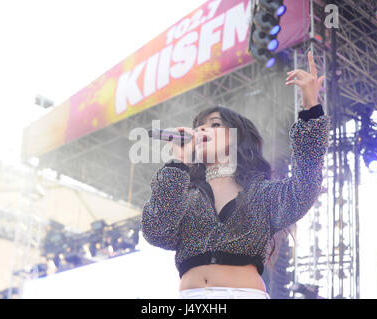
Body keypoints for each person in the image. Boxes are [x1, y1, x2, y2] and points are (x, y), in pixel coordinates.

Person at [141, 51, 330, 299]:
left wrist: (311, 109)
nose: (202, 129)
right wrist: (179, 163)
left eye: (215, 124)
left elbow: (305, 186)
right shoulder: (184, 192)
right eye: (199, 126)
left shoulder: (262, 193)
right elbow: (156, 231)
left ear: (236, 138)